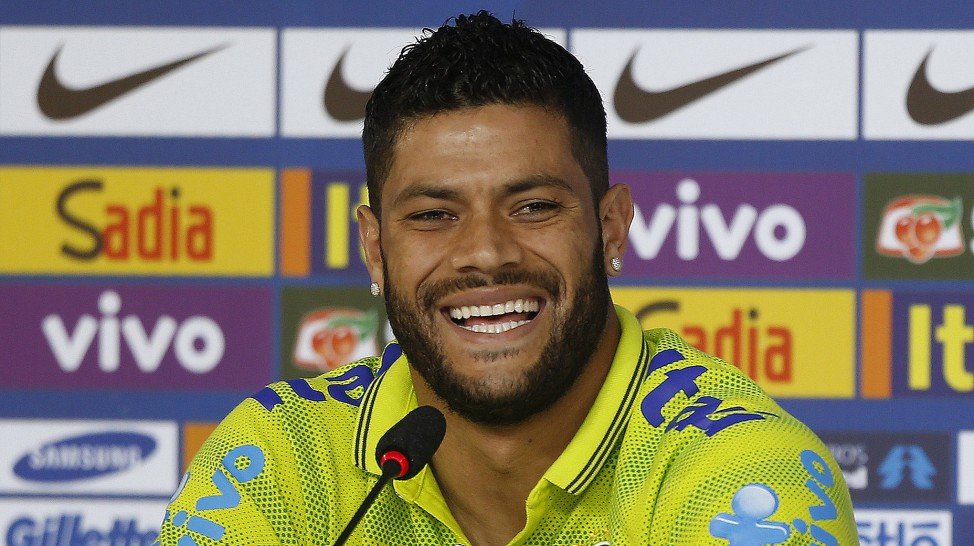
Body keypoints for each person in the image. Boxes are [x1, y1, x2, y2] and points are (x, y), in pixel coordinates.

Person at [157, 12, 856, 545]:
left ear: (612, 228)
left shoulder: (746, 473)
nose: (486, 254)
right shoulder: (279, 458)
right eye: (433, 215)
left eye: (534, 207)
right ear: (374, 249)